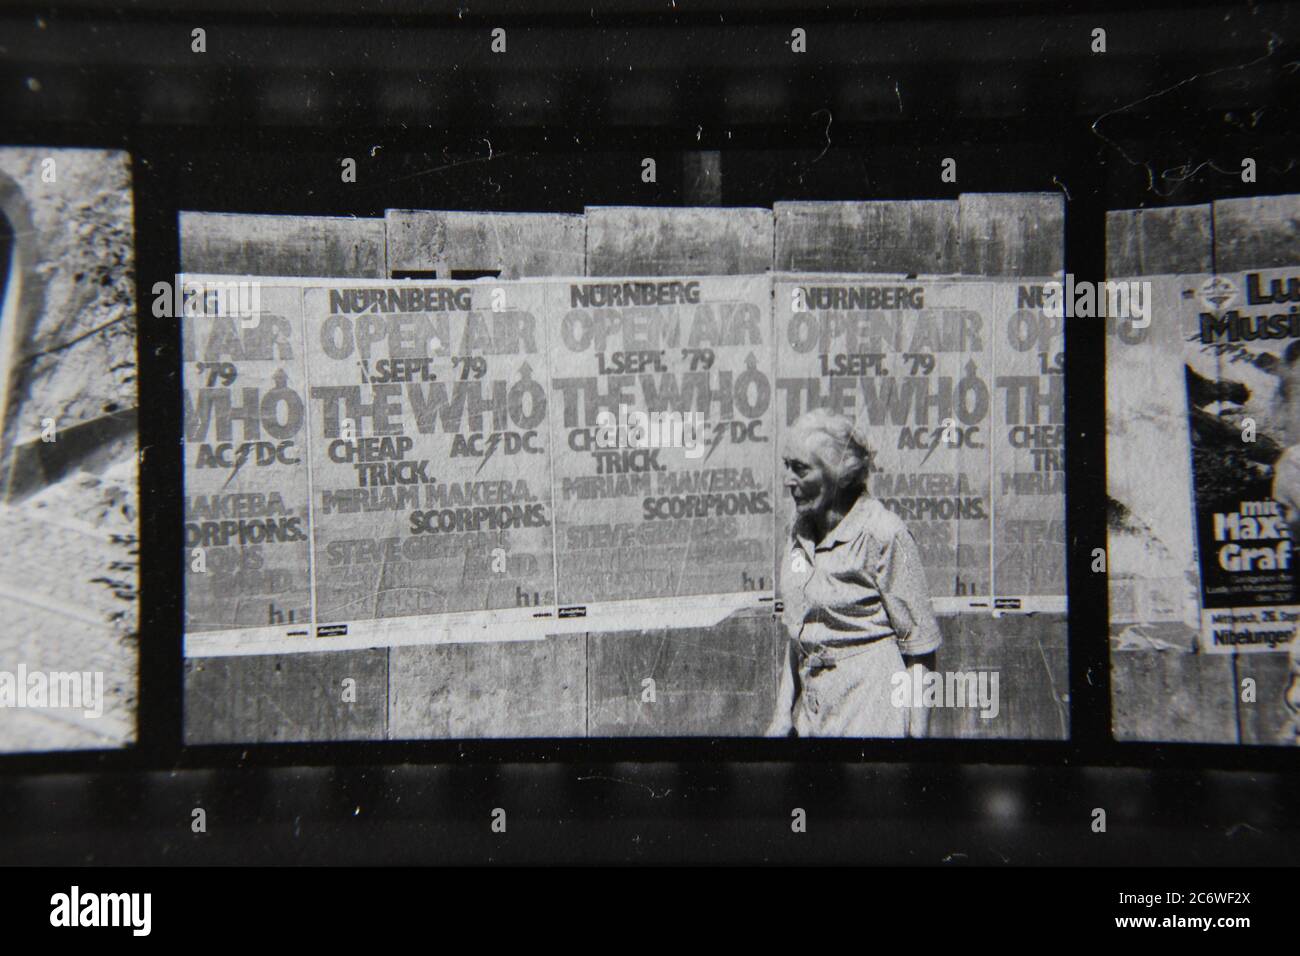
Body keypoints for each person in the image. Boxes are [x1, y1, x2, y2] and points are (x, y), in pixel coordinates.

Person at [766, 409, 941, 738]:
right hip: (813, 718)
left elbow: (921, 651)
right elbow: (799, 632)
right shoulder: (799, 533)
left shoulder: (884, 533)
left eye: (800, 469)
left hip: (873, 712)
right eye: (786, 466)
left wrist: (918, 744)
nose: (788, 480)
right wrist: (781, 715)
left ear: (836, 473)